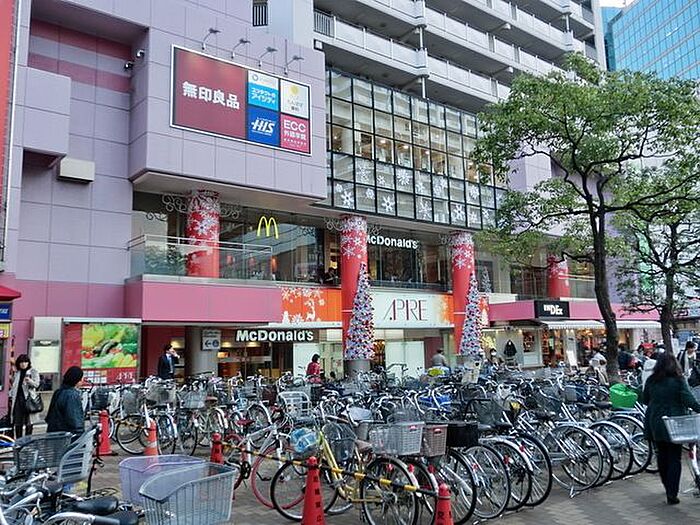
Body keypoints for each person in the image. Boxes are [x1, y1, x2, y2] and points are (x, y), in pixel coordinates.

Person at [643, 351, 700, 505]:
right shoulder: (678, 380)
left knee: (661, 454)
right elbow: (689, 400)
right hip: (674, 423)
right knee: (675, 457)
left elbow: (645, 399)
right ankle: (672, 493)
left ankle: (667, 485)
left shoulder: (652, 380)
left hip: (655, 421)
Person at [45, 366, 85, 435]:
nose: (83, 380)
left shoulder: (58, 392)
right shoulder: (72, 395)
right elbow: (75, 420)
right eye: (82, 378)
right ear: (77, 380)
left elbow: (49, 417)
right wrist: (80, 434)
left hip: (53, 434)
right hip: (66, 436)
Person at [9, 355, 41, 438]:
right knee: (18, 422)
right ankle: (19, 440)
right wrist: (10, 395)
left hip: (28, 400)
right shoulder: (17, 373)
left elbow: (37, 384)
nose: (23, 364)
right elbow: (14, 386)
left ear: (28, 363)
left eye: (25, 362)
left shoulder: (33, 371)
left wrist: (30, 381)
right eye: (21, 362)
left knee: (29, 422)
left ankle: (28, 440)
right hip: (17, 399)